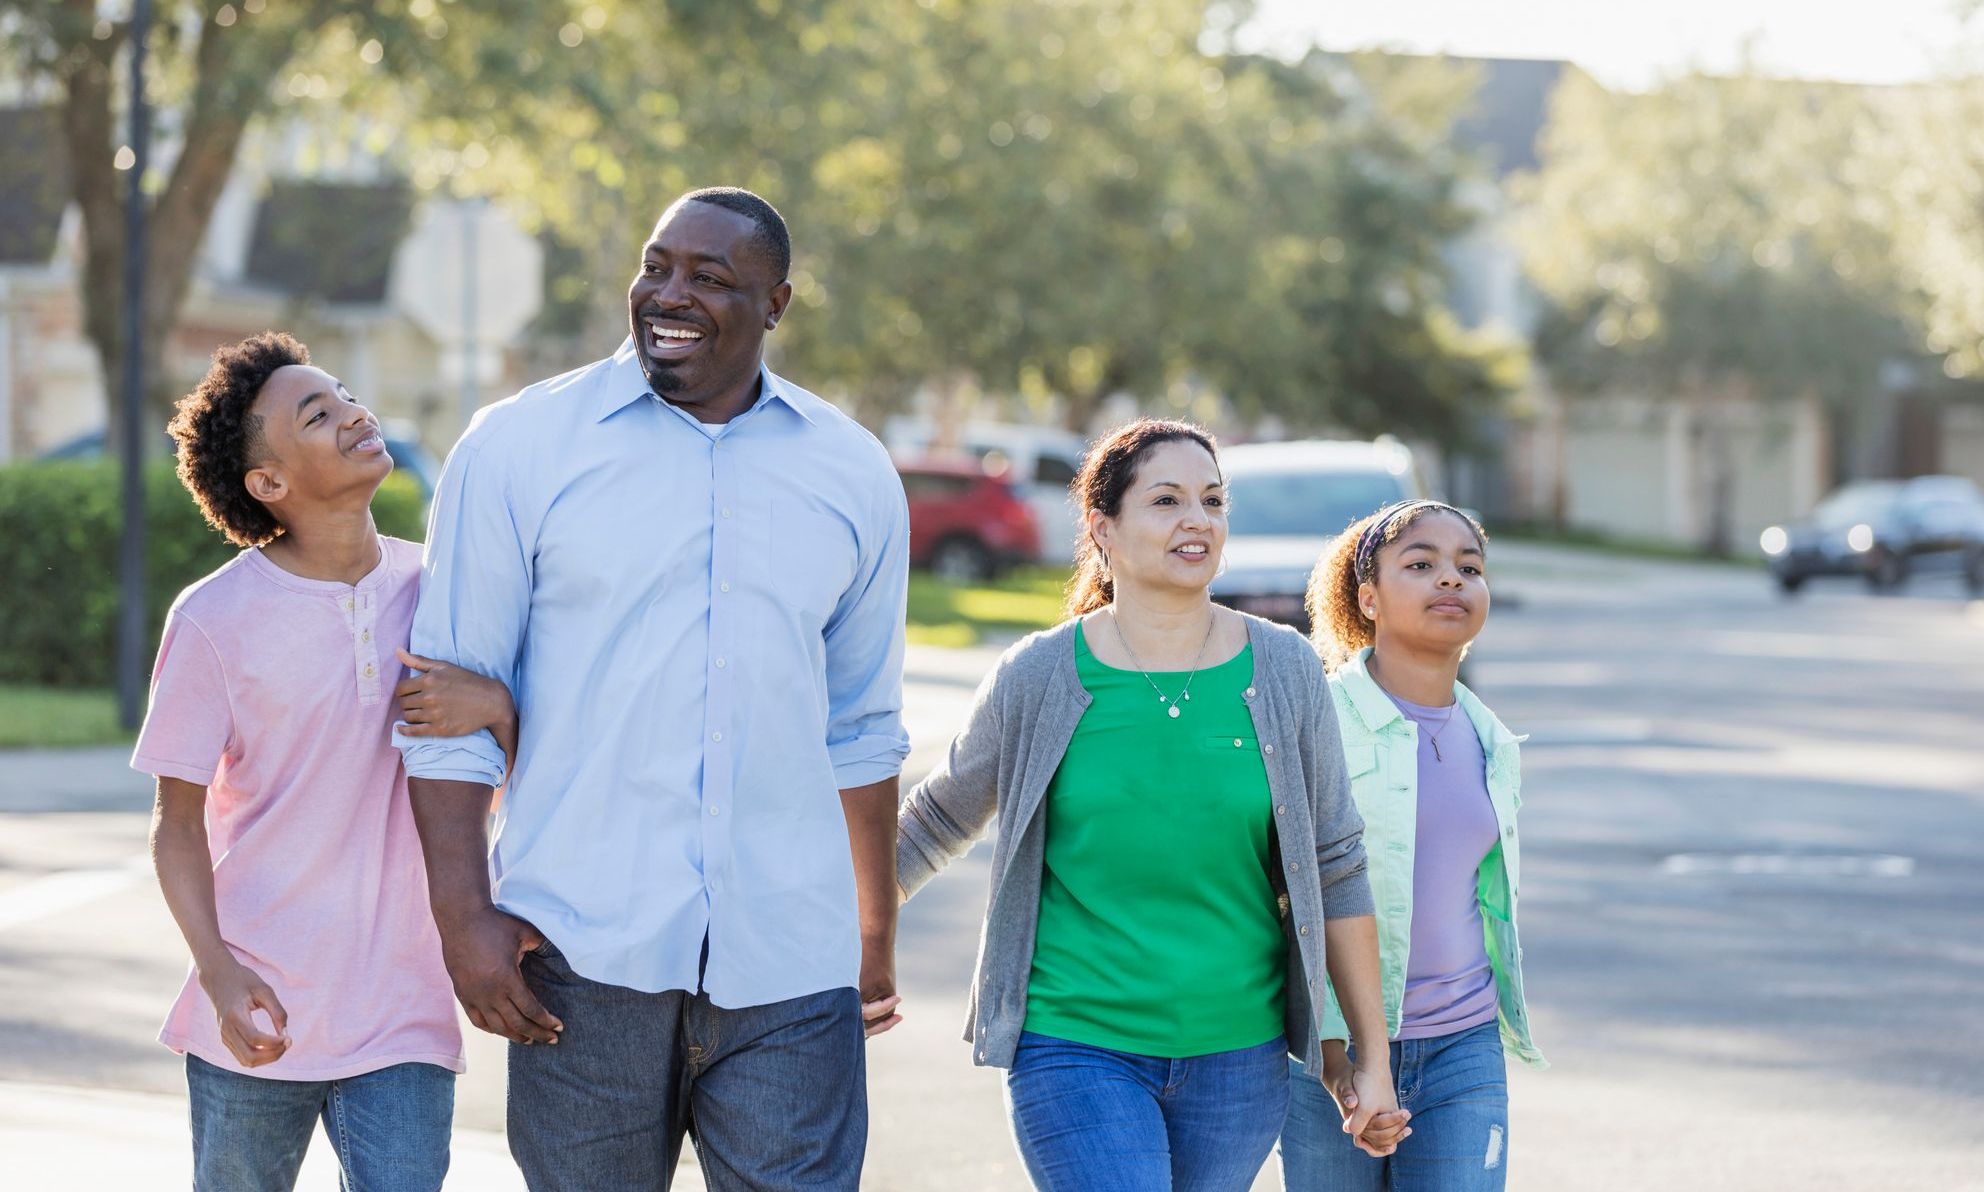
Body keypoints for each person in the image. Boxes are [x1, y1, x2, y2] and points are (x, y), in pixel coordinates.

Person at [395, 187, 911, 1192]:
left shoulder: (851, 472)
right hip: (581, 955)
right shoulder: (517, 450)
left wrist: (872, 934)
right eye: (657, 265)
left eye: (710, 278)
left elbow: (860, 728)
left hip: (790, 961)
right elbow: (443, 713)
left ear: (777, 305)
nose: (669, 293)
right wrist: (463, 919)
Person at [897, 418, 1412, 1192]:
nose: (1196, 520)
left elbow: (1336, 864)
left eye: (1212, 499)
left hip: (1238, 1055)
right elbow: (934, 822)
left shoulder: (1283, 670)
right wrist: (843, 935)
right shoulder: (1039, 676)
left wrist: (1368, 1060)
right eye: (1166, 500)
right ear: (1102, 528)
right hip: (1073, 1040)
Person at [137, 332, 515, 1192]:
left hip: (406, 1013)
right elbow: (177, 823)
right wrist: (219, 973)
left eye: (345, 394)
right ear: (269, 484)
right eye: (319, 413)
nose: (354, 413)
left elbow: (536, 760)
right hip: (261, 1007)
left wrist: (496, 706)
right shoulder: (214, 619)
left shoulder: (444, 590)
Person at [1277, 500, 1548, 1192]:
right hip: (1325, 1051)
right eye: (1420, 564)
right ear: (1367, 598)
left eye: (1469, 567)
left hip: (1463, 1042)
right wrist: (1339, 1058)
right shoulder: (1317, 717)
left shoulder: (1491, 739)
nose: (1451, 580)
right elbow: (1283, 892)